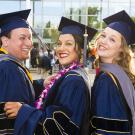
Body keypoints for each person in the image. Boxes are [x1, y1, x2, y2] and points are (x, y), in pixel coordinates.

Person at [4, 16, 97, 135]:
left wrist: (23, 110)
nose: (61, 48)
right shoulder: (75, 74)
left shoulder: (73, 80)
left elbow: (59, 126)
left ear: (82, 50)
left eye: (68, 44)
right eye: (59, 43)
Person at [90, 10, 135, 134]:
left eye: (112, 40)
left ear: (121, 50)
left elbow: (108, 128)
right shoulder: (121, 74)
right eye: (103, 35)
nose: (103, 41)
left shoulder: (107, 79)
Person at [0, 9, 43, 134]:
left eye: (30, 38)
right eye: (22, 38)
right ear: (5, 41)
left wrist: (42, 83)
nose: (29, 43)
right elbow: (10, 126)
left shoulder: (7, 66)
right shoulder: (10, 69)